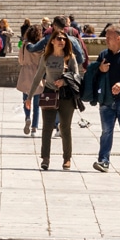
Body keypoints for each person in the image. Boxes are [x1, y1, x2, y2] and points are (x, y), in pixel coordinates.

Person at [31, 30, 81, 170]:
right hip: (49, 93)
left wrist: (64, 82)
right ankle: (45, 158)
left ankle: (67, 158)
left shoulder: (70, 57)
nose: (61, 41)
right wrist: (29, 97)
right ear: (52, 41)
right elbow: (37, 77)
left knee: (65, 128)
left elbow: (77, 76)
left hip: (66, 95)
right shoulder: (46, 57)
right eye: (58, 38)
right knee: (47, 128)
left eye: (64, 39)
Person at [92, 26, 120, 172]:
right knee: (106, 132)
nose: (106, 40)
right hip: (106, 100)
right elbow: (94, 74)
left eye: (108, 38)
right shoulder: (103, 55)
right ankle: (103, 161)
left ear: (118, 38)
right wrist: (100, 69)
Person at [17, 24, 44, 136]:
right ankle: (34, 127)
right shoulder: (41, 46)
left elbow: (21, 60)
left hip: (26, 74)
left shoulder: (25, 45)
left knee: (26, 99)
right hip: (38, 74)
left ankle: (27, 116)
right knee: (37, 104)